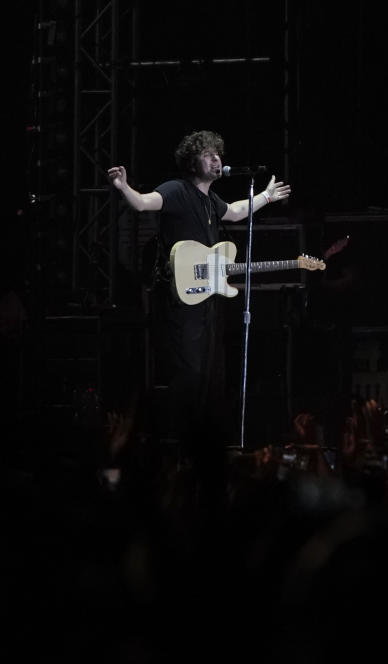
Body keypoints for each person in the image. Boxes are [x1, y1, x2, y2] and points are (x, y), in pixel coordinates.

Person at [106, 130, 290, 504]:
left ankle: (205, 453)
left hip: (206, 301)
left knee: (210, 372)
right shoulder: (176, 190)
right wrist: (124, 187)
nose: (217, 161)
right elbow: (143, 204)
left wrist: (266, 197)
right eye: (209, 155)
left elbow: (237, 211)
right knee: (188, 374)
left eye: (219, 156)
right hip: (180, 301)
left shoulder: (212, 201)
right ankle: (179, 455)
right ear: (194, 161)